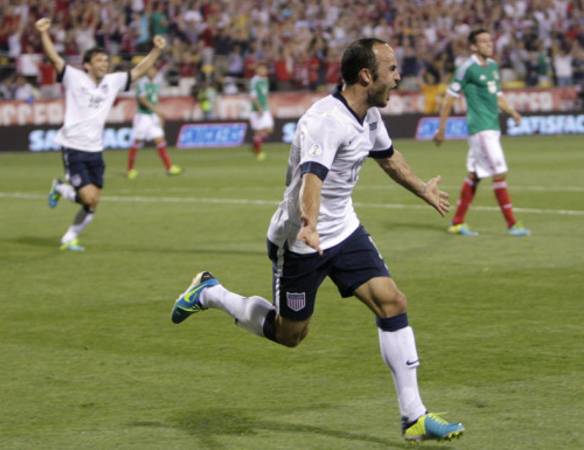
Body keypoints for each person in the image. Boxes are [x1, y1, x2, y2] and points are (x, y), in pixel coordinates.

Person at [171, 38, 465, 442]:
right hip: (300, 240)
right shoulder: (325, 120)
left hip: (343, 230)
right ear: (366, 75)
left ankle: (413, 416)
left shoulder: (369, 115)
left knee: (392, 301)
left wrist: (423, 190)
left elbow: (389, 158)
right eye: (392, 69)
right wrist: (309, 223)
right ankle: (211, 292)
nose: (398, 77)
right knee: (292, 334)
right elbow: (312, 176)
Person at [36, 17, 166, 251]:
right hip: (74, 147)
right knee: (87, 197)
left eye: (106, 60)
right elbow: (54, 58)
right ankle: (61, 191)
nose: (104, 64)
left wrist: (156, 49)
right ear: (87, 65)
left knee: (93, 202)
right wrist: (43, 33)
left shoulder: (112, 81)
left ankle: (68, 234)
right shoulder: (74, 77)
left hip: (96, 149)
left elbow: (138, 71)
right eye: (99, 60)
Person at [434, 28, 530, 237]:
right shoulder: (466, 68)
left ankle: (457, 223)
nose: (489, 45)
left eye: (490, 41)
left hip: (492, 127)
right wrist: (441, 128)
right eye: (484, 42)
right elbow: (450, 98)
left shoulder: (494, 66)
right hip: (480, 129)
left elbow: (498, 96)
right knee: (499, 173)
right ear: (473, 46)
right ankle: (512, 224)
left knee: (475, 175)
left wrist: (513, 112)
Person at [127, 64, 181, 180]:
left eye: (155, 69)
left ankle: (169, 167)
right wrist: (157, 111)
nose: (154, 72)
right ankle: (130, 169)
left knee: (160, 140)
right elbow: (142, 100)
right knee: (137, 141)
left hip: (152, 116)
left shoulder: (156, 83)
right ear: (146, 71)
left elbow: (154, 100)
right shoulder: (142, 83)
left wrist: (158, 113)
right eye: (151, 69)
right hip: (142, 117)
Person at [248, 63, 273, 161]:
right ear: (257, 70)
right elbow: (253, 96)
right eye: (262, 69)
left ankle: (255, 146)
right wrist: (258, 108)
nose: (264, 71)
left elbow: (265, 95)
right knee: (259, 131)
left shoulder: (265, 80)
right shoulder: (255, 81)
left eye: (265, 69)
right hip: (257, 110)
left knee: (268, 129)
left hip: (265, 108)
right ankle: (258, 152)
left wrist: (266, 105)